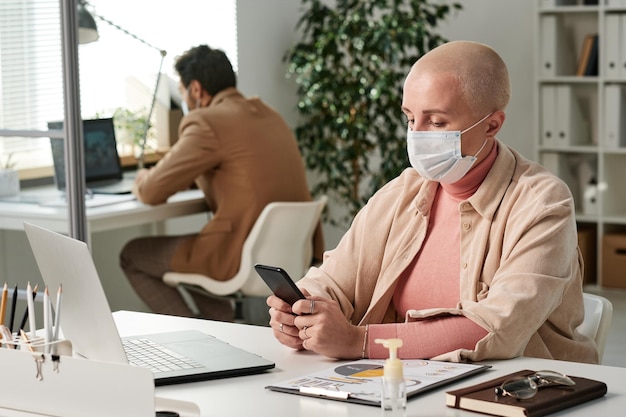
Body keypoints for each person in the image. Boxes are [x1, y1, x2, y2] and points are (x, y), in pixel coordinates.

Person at [267, 40, 598, 364]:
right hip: (410, 386)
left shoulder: (543, 203)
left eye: (437, 122)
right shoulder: (402, 193)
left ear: (491, 125)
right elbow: (334, 280)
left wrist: (359, 341)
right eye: (410, 119)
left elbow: (496, 328)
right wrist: (305, 310)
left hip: (520, 392)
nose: (417, 135)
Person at [121, 44, 323, 320]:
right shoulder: (269, 115)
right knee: (195, 276)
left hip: (236, 254)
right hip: (290, 254)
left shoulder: (206, 121)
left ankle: (194, 340)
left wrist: (144, 178)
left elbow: (151, 192)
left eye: (181, 92)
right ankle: (220, 331)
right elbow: (239, 171)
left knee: (133, 255)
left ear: (195, 90)